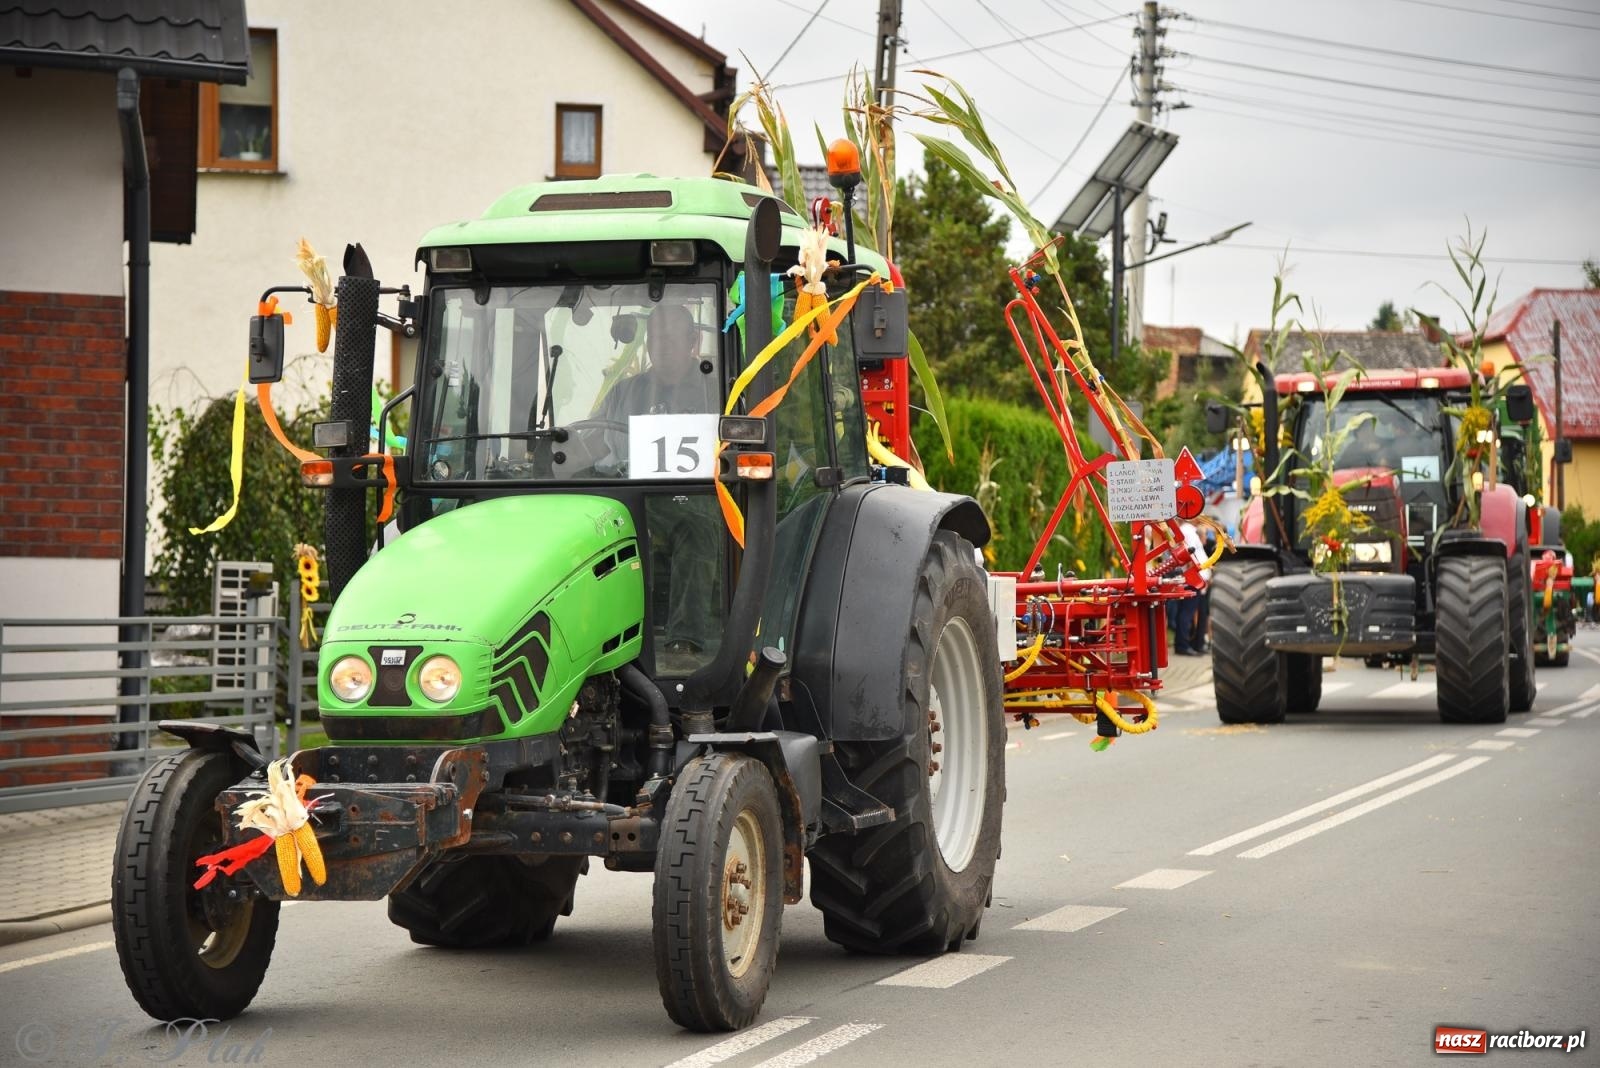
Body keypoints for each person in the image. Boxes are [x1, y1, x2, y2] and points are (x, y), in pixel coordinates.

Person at [600, 303, 719, 666]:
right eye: (654, 339)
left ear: (692, 341)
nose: (661, 347)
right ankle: (605, 643)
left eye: (670, 339)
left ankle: (684, 642)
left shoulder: (717, 389)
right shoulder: (623, 393)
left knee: (699, 529)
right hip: (636, 498)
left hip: (699, 498)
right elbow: (598, 446)